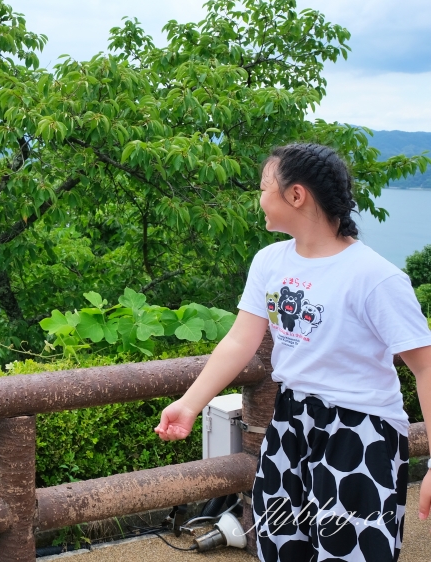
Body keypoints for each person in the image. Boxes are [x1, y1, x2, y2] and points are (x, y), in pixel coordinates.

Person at [154, 142, 431, 561]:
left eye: (264, 188)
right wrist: (190, 404)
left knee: (349, 551)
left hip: (360, 430)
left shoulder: (375, 277)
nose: (259, 200)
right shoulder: (270, 261)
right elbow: (239, 340)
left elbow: (425, 367)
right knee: (282, 545)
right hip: (290, 422)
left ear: (296, 195)